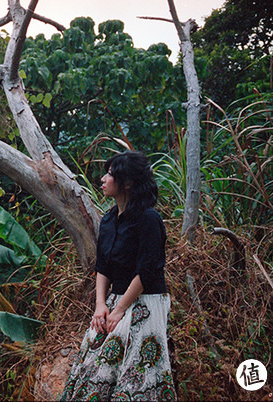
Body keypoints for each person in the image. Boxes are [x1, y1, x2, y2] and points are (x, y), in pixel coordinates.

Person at [60, 151, 176, 400]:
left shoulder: (148, 219)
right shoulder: (110, 219)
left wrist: (120, 309)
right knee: (92, 354)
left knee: (134, 369)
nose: (102, 179)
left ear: (128, 182)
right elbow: (103, 267)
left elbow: (147, 270)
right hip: (115, 299)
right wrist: (100, 306)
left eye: (110, 174)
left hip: (145, 300)